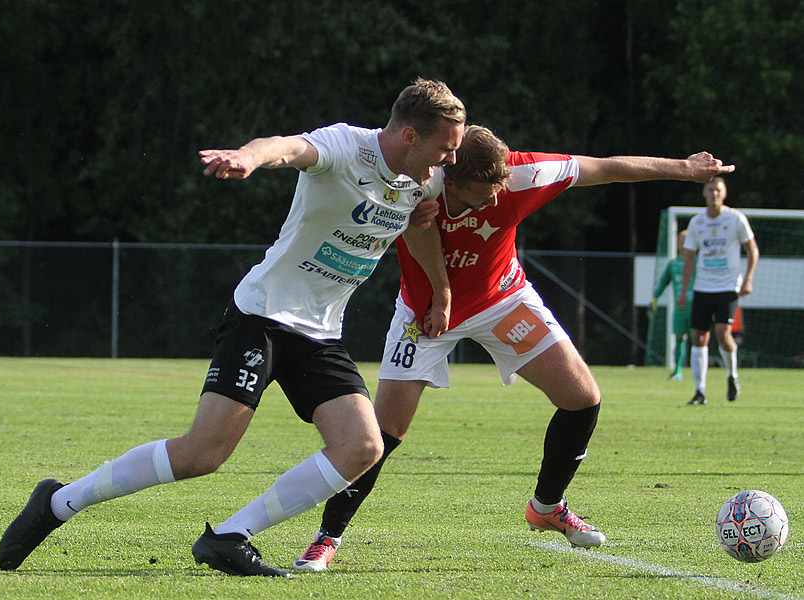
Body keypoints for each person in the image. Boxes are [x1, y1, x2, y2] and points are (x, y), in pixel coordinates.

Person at [0, 78, 466, 577]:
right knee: (202, 454)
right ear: (410, 135)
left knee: (363, 447)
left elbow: (420, 232)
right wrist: (247, 157)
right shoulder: (347, 146)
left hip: (321, 334)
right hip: (262, 316)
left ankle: (229, 537)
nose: (451, 162)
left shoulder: (427, 179)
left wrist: (441, 291)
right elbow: (284, 148)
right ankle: (58, 502)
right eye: (446, 148)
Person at [292, 125, 736, 571]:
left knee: (582, 397)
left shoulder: (523, 175)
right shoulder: (420, 179)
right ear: (449, 176)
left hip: (502, 299)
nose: (487, 204)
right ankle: (326, 537)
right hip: (424, 313)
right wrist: (438, 291)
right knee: (384, 433)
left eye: (494, 193)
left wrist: (684, 168)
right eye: (476, 197)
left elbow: (604, 168)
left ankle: (547, 506)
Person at [678, 177, 758, 405]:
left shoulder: (735, 219)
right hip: (703, 286)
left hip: (728, 286)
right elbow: (690, 257)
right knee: (699, 337)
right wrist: (684, 290)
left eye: (718, 190)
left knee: (723, 334)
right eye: (710, 189)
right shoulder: (697, 222)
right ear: (704, 192)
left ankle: (732, 375)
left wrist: (748, 279)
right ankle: (699, 391)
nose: (714, 194)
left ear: (724, 194)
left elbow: (752, 250)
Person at [648, 230, 695, 381]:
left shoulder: (698, 261)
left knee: (698, 339)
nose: (682, 244)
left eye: (686, 241)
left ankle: (698, 372)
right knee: (679, 337)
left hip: (696, 307)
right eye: (680, 241)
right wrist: (654, 299)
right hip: (680, 308)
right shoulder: (673, 264)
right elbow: (662, 283)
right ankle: (678, 371)